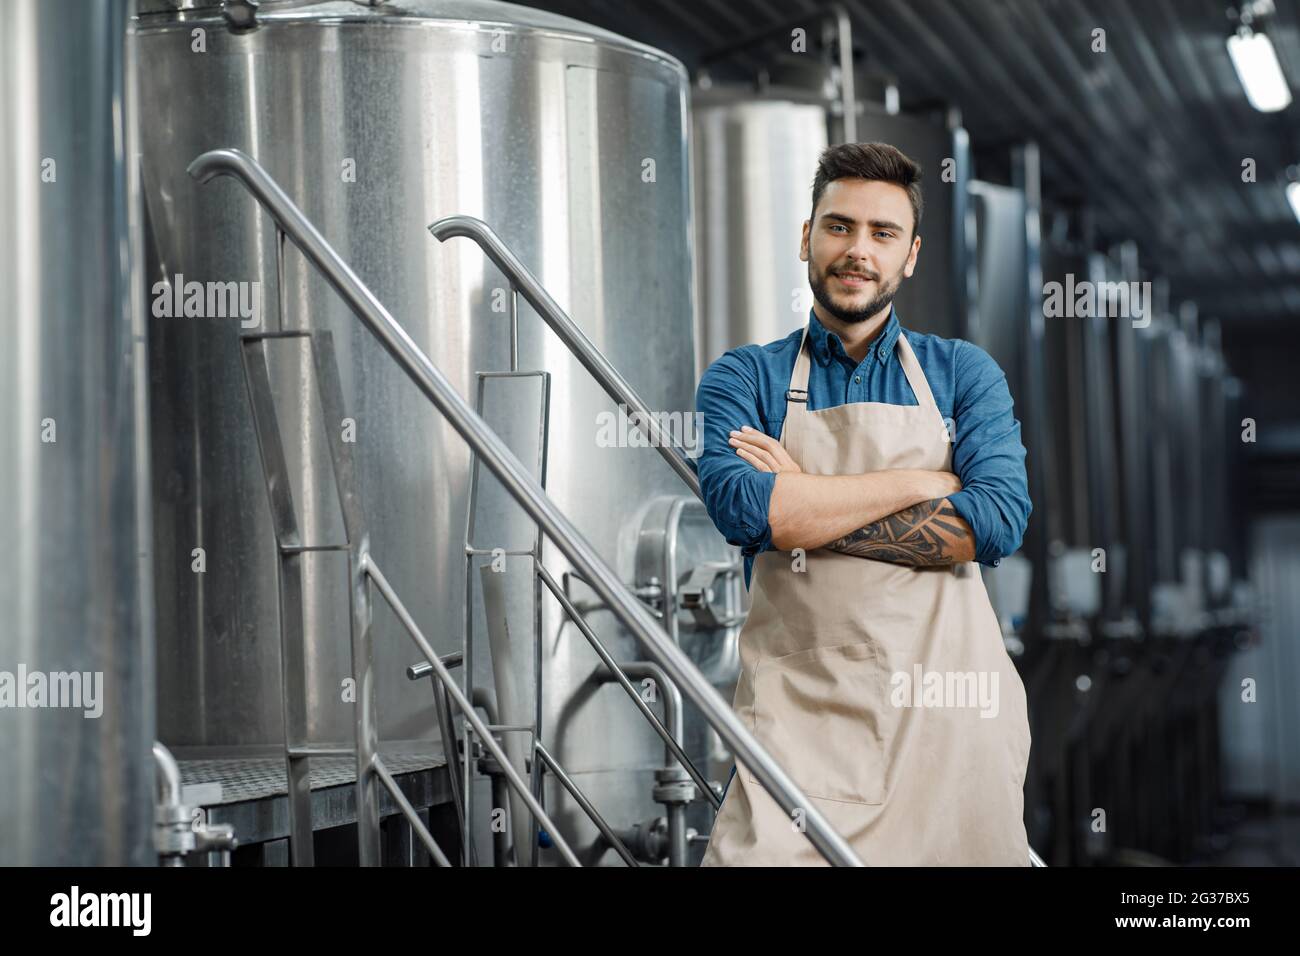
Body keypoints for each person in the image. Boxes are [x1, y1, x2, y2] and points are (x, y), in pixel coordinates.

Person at [696, 142, 1032, 866]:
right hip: (798, 727)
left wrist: (804, 505)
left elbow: (997, 520)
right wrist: (923, 484)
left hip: (949, 730)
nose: (858, 251)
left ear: (910, 255)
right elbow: (745, 511)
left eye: (882, 234)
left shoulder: (962, 374)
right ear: (806, 238)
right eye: (839, 226)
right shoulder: (743, 377)